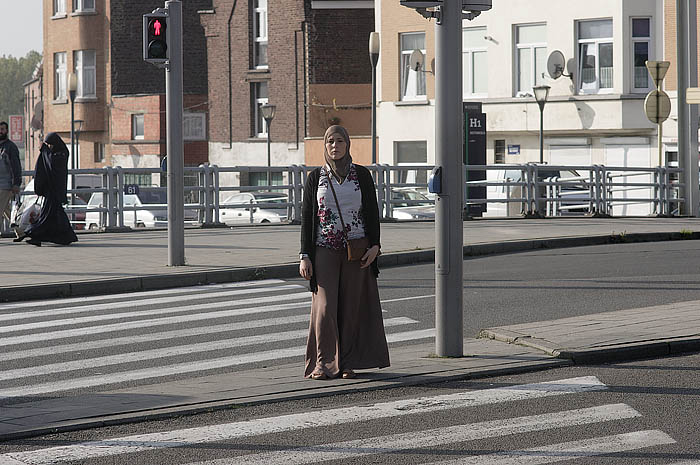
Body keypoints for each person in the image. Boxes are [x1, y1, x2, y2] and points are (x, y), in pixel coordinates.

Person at [299, 125, 389, 380]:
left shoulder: (361, 175)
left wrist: (375, 246)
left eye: (339, 141)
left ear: (347, 144)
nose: (334, 146)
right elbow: (307, 217)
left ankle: (347, 362)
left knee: (350, 308)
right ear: (325, 145)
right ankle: (323, 363)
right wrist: (304, 255)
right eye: (330, 141)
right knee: (325, 308)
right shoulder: (316, 177)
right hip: (324, 248)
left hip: (356, 250)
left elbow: (372, 211)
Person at [15, 133, 77, 247]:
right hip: (51, 189)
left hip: (55, 190)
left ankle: (33, 234)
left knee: (47, 215)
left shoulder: (62, 153)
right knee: (56, 214)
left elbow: (52, 164)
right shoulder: (54, 153)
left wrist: (44, 150)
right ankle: (67, 236)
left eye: (50, 144)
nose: (49, 147)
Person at [0, 121, 22, 230]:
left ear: (7, 131)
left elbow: (16, 167)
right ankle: (21, 231)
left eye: (2, 129)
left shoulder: (10, 147)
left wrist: (16, 183)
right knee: (6, 210)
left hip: (5, 185)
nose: (0, 131)